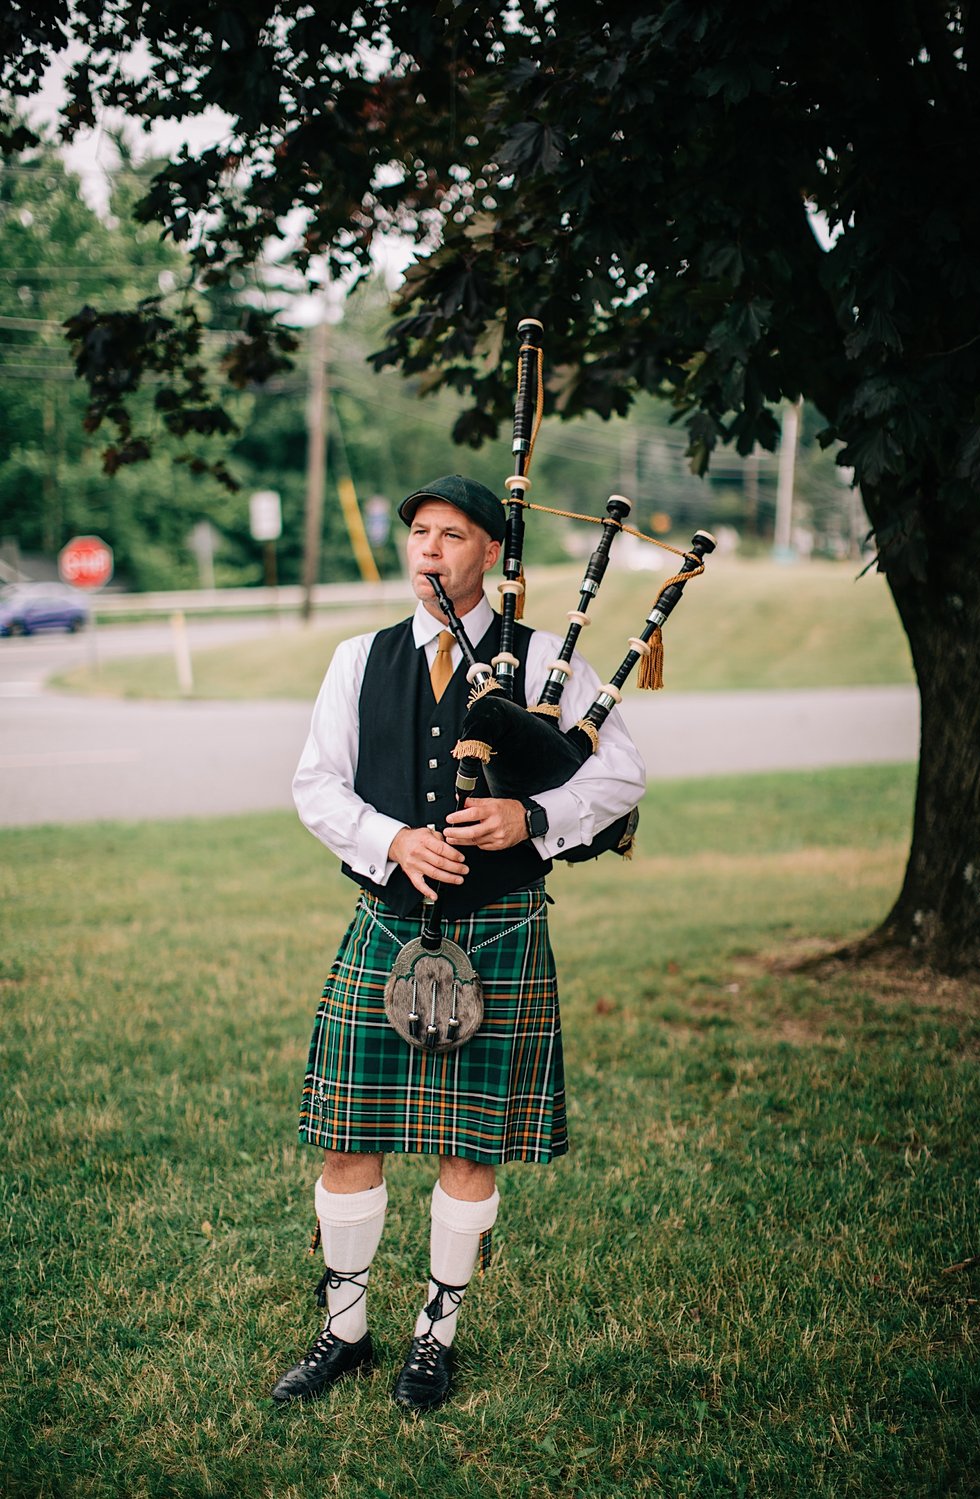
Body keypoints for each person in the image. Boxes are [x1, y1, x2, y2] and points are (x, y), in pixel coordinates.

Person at [272, 474, 645, 1413]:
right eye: (419, 534)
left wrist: (532, 816)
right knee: (349, 1136)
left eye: (451, 535)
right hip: (389, 920)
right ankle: (343, 1331)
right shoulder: (362, 658)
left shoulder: (545, 661)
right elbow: (317, 786)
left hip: (502, 925)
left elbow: (622, 776)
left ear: (491, 553)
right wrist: (390, 839)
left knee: (466, 1146)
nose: (428, 549)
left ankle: (433, 1339)